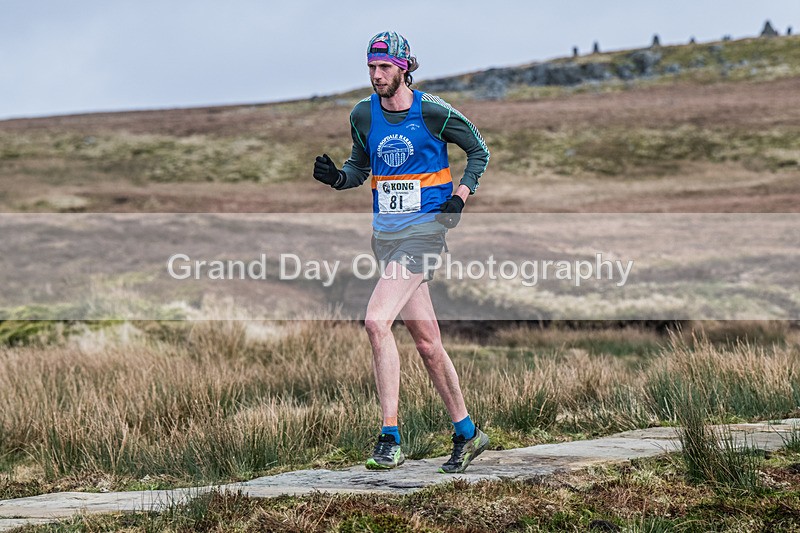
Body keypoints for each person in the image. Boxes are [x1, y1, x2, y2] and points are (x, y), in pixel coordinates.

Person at [312, 31, 490, 474]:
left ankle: (389, 437)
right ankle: (468, 432)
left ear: (404, 68)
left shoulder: (433, 112)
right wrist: (338, 178)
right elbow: (360, 166)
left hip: (424, 235)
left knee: (376, 321)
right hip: (385, 239)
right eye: (371, 68)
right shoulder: (363, 115)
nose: (376, 75)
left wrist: (460, 197)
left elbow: (479, 152)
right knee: (429, 344)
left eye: (385, 67)